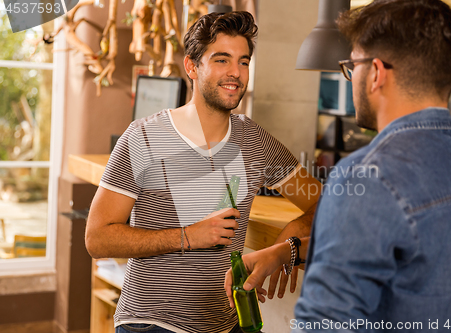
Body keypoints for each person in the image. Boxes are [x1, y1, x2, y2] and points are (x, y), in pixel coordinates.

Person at [225, 1, 451, 332]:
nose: (349, 77)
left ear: (376, 73)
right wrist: (290, 250)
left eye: (351, 65)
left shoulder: (365, 175)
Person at [85, 11, 321, 333]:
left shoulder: (254, 140)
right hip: (153, 323)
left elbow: (323, 202)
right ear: (192, 67)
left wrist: (281, 247)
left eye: (243, 62)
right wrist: (187, 237)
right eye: (222, 60)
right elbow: (97, 238)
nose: (236, 73)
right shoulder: (144, 137)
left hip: (226, 323)